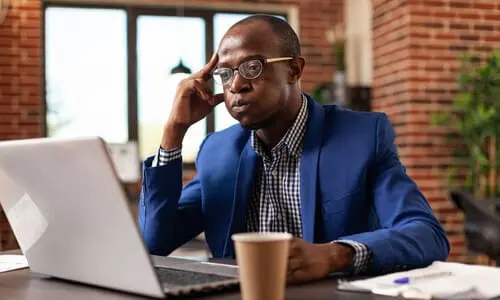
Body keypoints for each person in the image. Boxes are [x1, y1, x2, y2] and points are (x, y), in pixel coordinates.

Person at [138, 15, 449, 284]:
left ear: (294, 70)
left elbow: (425, 233)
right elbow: (155, 242)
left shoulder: (362, 137)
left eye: (252, 67)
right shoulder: (218, 152)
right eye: (226, 74)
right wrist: (173, 132)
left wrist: (333, 255)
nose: (235, 85)